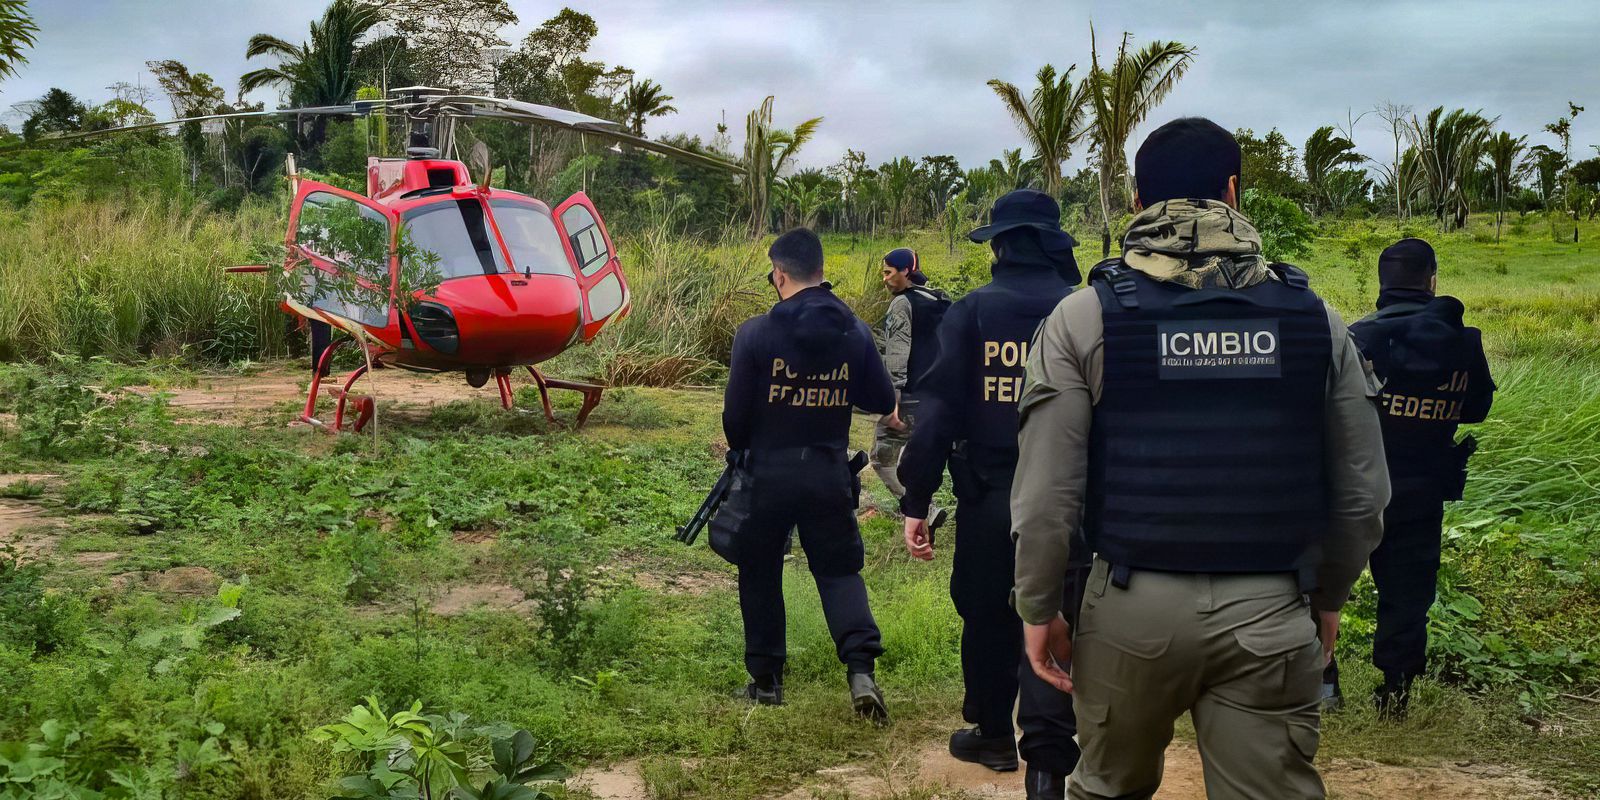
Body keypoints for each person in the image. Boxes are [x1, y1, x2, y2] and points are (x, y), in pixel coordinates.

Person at [1011, 117, 1391, 800]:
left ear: (1136, 201)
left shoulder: (1084, 317)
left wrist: (1038, 608)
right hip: (1271, 606)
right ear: (1234, 192)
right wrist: (1328, 596)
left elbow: (1045, 498)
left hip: (1130, 610)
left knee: (1107, 789)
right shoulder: (1315, 319)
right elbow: (1363, 494)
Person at [895, 190, 1083, 796]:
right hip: (1071, 500)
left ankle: (994, 732)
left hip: (987, 494)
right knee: (1057, 612)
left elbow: (937, 413)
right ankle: (1053, 756)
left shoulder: (972, 311)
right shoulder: (1083, 309)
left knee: (984, 613)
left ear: (998, 245)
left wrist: (916, 500)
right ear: (1052, 244)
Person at [718, 227, 897, 721]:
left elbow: (734, 420)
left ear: (779, 275)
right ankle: (861, 673)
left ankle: (766, 683)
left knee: (759, 569)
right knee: (839, 572)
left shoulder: (755, 333)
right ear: (821, 270)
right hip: (827, 472)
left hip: (768, 473)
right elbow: (881, 399)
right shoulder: (854, 330)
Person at [1328, 237, 1494, 717]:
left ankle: (1325, 683)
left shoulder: (1358, 337)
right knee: (1408, 593)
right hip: (1423, 488)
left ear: (1382, 284)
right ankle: (1395, 694)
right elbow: (1477, 409)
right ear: (1432, 281)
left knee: (1327, 583)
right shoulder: (1463, 342)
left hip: (1356, 487)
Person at [872, 247, 951, 530]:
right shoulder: (940, 300)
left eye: (888, 272)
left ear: (905, 271)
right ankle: (923, 513)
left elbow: (897, 355)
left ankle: (924, 509)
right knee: (923, 456)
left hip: (909, 395)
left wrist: (891, 400)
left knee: (882, 457)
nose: (885, 279)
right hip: (938, 397)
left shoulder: (901, 304)